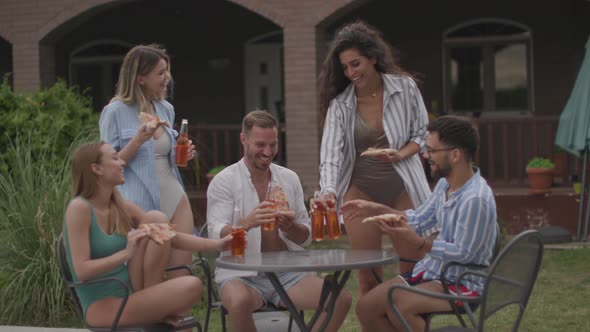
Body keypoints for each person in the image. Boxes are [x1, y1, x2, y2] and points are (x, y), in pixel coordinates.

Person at [344, 116, 498, 332]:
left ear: (455, 155)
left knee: (400, 306)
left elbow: (466, 254)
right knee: (367, 307)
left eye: (432, 151)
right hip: (432, 273)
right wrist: (376, 209)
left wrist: (420, 244)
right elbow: (418, 219)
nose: (425, 155)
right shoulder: (445, 185)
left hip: (462, 284)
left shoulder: (475, 199)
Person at [207, 110, 352, 332]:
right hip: (240, 275)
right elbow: (216, 233)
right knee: (238, 302)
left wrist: (292, 228)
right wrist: (247, 222)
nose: (268, 152)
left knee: (340, 299)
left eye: (273, 145)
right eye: (260, 145)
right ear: (243, 139)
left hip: (288, 274)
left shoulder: (289, 178)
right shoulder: (224, 181)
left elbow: (305, 237)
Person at [316, 20, 431, 296]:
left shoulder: (405, 88)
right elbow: (330, 154)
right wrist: (329, 191)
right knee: (368, 279)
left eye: (356, 64)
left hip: (403, 186)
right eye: (345, 67)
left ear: (373, 58)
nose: (351, 72)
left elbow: (425, 131)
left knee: (411, 274)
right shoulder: (340, 105)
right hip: (361, 193)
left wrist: (400, 153)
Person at [64, 142, 231, 329]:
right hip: (103, 307)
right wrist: (125, 254)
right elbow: (81, 271)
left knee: (156, 218)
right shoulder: (79, 208)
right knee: (191, 286)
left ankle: (153, 310)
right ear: (96, 168)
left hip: (131, 294)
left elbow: (170, 236)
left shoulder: (119, 206)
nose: (122, 163)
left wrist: (217, 244)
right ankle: (155, 314)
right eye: (115, 158)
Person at [99, 44, 196, 275]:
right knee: (144, 280)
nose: (167, 78)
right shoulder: (115, 112)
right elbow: (107, 167)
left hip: (175, 197)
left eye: (167, 71)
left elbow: (163, 155)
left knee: (180, 275)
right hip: (139, 202)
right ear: (140, 78)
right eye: (160, 73)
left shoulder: (166, 109)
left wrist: (183, 152)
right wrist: (137, 141)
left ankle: (180, 313)